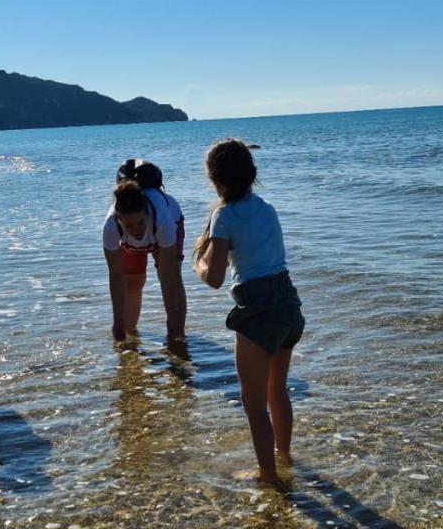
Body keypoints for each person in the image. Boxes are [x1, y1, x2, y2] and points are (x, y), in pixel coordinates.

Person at [192, 139, 305, 485]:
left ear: (214, 180)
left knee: (254, 404)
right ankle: (283, 458)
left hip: (258, 309)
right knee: (278, 392)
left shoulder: (223, 216)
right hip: (288, 302)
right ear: (252, 175)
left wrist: (197, 263)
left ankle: (268, 476)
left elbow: (213, 278)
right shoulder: (266, 207)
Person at [102, 159, 187, 340]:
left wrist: (172, 316)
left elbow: (168, 275)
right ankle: (129, 334)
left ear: (147, 213)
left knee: (172, 276)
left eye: (141, 223)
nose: (137, 230)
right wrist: (117, 321)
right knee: (132, 281)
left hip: (166, 232)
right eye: (130, 226)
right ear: (120, 219)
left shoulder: (163, 220)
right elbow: (115, 276)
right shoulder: (111, 227)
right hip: (129, 245)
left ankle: (178, 335)